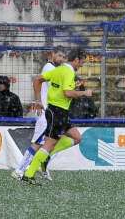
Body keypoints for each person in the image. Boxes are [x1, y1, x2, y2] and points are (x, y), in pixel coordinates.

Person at [22, 48, 92, 185]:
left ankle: (47, 156)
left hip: (60, 112)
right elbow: (67, 93)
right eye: (81, 62)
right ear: (76, 59)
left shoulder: (59, 69)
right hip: (56, 112)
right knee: (49, 143)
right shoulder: (68, 71)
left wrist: (38, 100)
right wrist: (84, 93)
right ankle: (29, 174)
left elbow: (38, 79)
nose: (81, 65)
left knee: (77, 137)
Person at [11, 47, 66, 180]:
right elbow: (37, 81)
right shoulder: (49, 68)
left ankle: (42, 166)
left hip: (52, 112)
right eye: (59, 55)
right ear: (52, 55)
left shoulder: (54, 68)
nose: (61, 59)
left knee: (52, 141)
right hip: (47, 112)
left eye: (63, 56)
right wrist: (38, 100)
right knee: (38, 143)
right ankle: (20, 170)